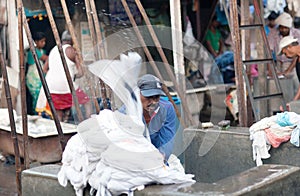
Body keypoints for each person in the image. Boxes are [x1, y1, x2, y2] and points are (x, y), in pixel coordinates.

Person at [119, 74, 177, 163]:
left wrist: (161, 157)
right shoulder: (125, 113)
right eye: (148, 97)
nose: (153, 102)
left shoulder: (167, 109)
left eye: (156, 97)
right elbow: (127, 145)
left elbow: (167, 141)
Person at [36, 30, 91, 122]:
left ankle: (60, 133)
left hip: (52, 88)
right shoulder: (71, 50)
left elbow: (44, 70)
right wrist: (74, 76)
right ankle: (89, 121)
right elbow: (81, 72)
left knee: (59, 114)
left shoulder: (53, 50)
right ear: (72, 40)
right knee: (87, 102)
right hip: (67, 86)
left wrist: (56, 74)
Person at [268, 12, 300, 96]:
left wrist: (288, 70)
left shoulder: (297, 34)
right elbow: (269, 52)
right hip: (279, 64)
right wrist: (271, 69)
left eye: (285, 28)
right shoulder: (273, 33)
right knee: (282, 88)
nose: (283, 30)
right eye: (281, 27)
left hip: (292, 63)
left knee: (295, 85)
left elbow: (296, 54)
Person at [26, 32, 48, 115]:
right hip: (33, 77)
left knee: (40, 96)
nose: (43, 43)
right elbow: (46, 58)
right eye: (41, 41)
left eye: (44, 41)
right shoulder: (34, 50)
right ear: (36, 42)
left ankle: (39, 113)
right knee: (37, 96)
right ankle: (36, 114)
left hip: (39, 76)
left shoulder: (42, 50)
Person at [277, 35, 300, 102]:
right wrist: (293, 102)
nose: (286, 56)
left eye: (285, 53)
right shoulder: (297, 60)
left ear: (289, 47)